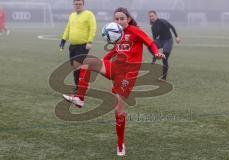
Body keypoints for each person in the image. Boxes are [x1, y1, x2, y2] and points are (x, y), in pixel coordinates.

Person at [62, 7, 165, 156]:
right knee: (88, 62)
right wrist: (103, 61)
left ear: (128, 19)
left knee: (119, 110)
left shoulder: (136, 31)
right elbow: (116, 51)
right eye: (116, 19)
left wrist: (156, 53)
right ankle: (80, 99)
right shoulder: (117, 33)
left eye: (122, 18)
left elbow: (150, 43)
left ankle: (120, 144)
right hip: (115, 68)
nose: (119, 21)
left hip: (128, 75)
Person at [59, 0, 96, 93]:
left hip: (83, 45)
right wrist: (63, 40)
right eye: (76, 4)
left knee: (77, 65)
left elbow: (93, 27)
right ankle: (79, 85)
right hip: (72, 46)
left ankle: (80, 87)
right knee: (75, 67)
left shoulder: (88, 14)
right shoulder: (72, 15)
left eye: (80, 4)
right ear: (73, 5)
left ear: (83, 5)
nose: (78, 6)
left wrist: (90, 41)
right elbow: (68, 28)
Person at [148, 10, 181, 80]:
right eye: (150, 16)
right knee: (150, 45)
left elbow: (172, 27)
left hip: (168, 40)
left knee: (164, 58)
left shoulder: (162, 21)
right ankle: (155, 58)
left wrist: (177, 36)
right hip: (161, 40)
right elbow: (155, 38)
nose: (151, 17)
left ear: (156, 16)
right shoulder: (153, 27)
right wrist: (154, 52)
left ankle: (164, 78)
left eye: (152, 16)